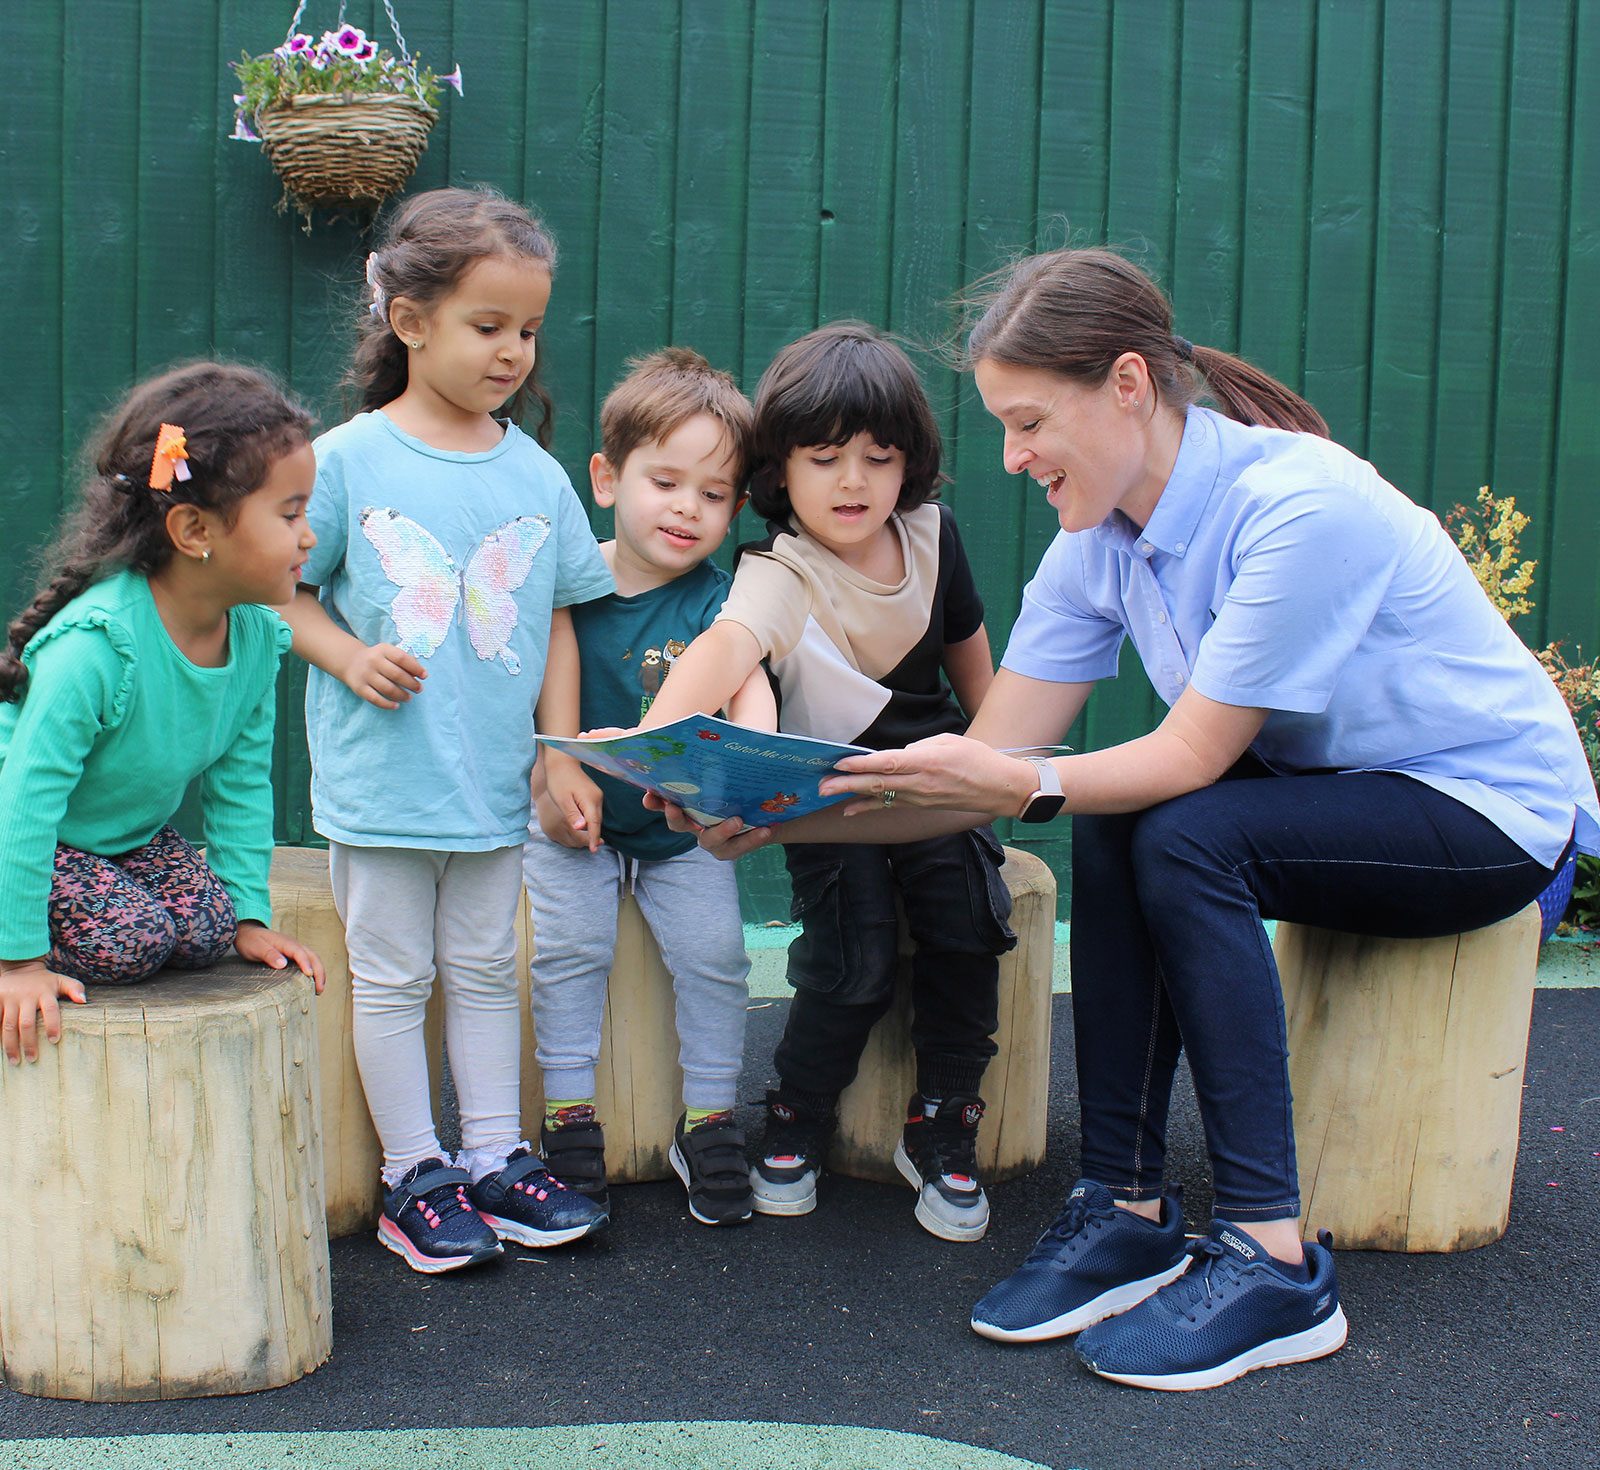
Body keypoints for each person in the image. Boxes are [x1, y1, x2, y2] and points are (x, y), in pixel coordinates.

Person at [653, 249, 1600, 1390]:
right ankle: (1126, 1206)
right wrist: (779, 824)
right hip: (1334, 794)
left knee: (1179, 821)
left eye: (1029, 422)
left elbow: (1183, 758)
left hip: (1486, 814)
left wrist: (1018, 784)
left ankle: (1271, 1257)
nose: (1010, 458)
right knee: (1117, 815)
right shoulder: (1094, 544)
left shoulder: (1298, 506)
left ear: (1130, 386)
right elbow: (989, 761)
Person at [278, 187, 613, 1275]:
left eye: (526, 329)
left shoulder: (533, 472)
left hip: (491, 783)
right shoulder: (346, 461)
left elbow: (559, 618)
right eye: (487, 326)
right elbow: (278, 592)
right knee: (392, 977)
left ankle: (494, 1156)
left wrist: (559, 754)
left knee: (480, 967)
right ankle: (411, 1174)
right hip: (385, 781)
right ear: (409, 321)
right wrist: (346, 654)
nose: (513, 351)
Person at [637, 322, 1016, 1243]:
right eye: (825, 457)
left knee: (967, 925)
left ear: (910, 463)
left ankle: (944, 1121)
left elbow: (974, 664)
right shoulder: (781, 568)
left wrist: (999, 764)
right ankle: (799, 1111)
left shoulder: (933, 536)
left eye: (879, 458)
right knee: (854, 957)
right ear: (780, 470)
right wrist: (656, 743)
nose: (854, 481)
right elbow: (724, 647)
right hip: (834, 799)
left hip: (933, 782)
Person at [0, 362, 327, 1065]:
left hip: (117, 840)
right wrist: (17, 963)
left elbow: (241, 784)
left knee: (207, 930)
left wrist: (248, 914)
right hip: (25, 833)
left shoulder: (256, 636)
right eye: (290, 514)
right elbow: (24, 802)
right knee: (133, 940)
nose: (309, 536)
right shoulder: (97, 648)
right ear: (192, 528)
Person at [527, 347, 773, 1227]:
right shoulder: (568, 586)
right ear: (606, 477)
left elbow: (751, 695)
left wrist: (752, 769)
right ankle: (569, 1115)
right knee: (568, 951)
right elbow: (521, 705)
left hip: (679, 832)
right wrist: (545, 786)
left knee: (715, 957)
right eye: (665, 481)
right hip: (572, 821)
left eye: (713, 495)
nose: (686, 508)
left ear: (737, 507)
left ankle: (709, 1118)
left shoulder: (722, 600)